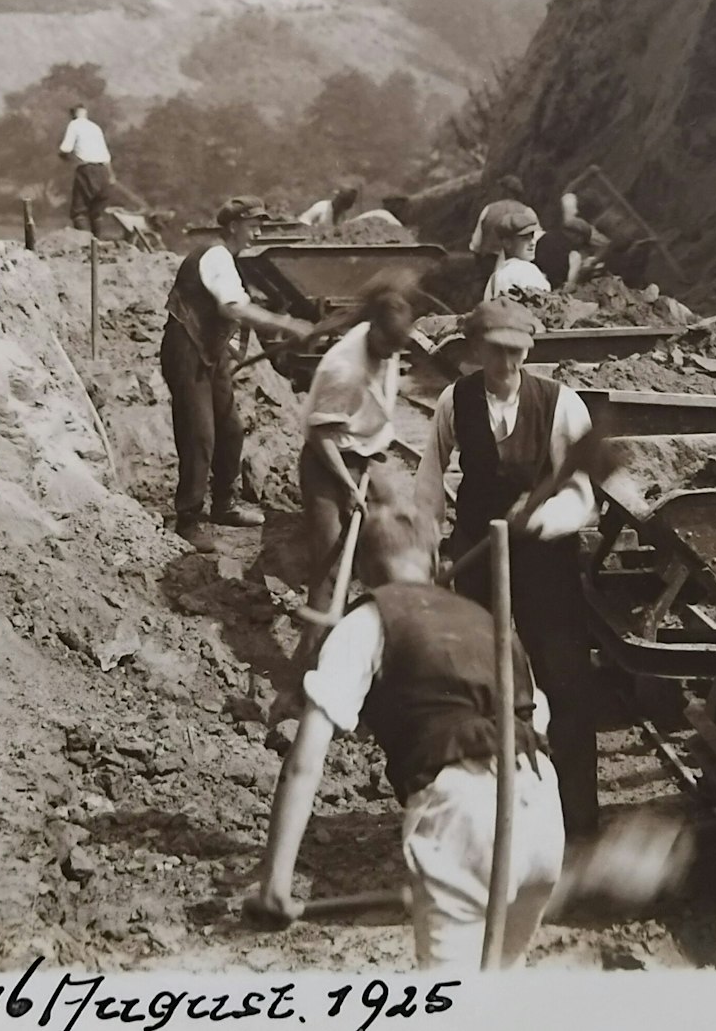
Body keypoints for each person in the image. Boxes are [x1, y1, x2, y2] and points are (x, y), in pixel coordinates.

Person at [245, 498, 566, 969]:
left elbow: (305, 762)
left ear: (362, 574)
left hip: (462, 816)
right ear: (436, 562)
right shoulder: (489, 624)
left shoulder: (367, 621)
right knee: (501, 986)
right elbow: (537, 721)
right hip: (540, 808)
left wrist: (276, 880)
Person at [417, 299, 600, 840]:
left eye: (517, 354)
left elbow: (582, 494)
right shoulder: (456, 400)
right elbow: (429, 479)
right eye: (496, 353)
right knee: (469, 678)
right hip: (476, 547)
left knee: (564, 678)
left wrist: (541, 521)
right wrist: (429, 546)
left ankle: (577, 819)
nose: (506, 366)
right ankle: (473, 813)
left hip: (545, 557)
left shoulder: (561, 404)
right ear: (476, 350)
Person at [280, 280, 417, 706]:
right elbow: (320, 437)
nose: (392, 356)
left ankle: (386, 661)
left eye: (398, 349)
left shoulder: (386, 342)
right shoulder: (344, 368)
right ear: (372, 329)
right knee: (329, 564)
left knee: (395, 542)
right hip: (328, 463)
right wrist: (346, 488)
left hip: (367, 454)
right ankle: (307, 675)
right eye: (387, 346)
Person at [161, 197, 316, 553]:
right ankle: (188, 519)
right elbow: (230, 306)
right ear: (233, 226)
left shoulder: (228, 260)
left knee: (230, 429)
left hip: (209, 353)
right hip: (187, 351)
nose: (258, 232)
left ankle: (223, 505)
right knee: (200, 434)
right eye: (252, 225)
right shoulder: (215, 256)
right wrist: (287, 324)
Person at [58, 105, 113, 235]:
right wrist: (111, 176)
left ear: (73, 115)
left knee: (79, 211)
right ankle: (97, 244)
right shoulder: (95, 127)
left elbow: (65, 149)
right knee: (96, 212)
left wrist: (65, 158)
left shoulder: (74, 125)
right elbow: (106, 156)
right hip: (104, 171)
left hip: (87, 170)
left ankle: (85, 244)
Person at [479, 202, 551, 302]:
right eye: (525, 239)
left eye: (532, 237)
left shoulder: (495, 277)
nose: (532, 243)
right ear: (508, 243)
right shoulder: (527, 270)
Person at [532, 217, 597, 290]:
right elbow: (569, 282)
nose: (581, 246)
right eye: (583, 241)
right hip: (554, 287)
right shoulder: (573, 254)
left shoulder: (545, 237)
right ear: (577, 236)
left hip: (533, 278)